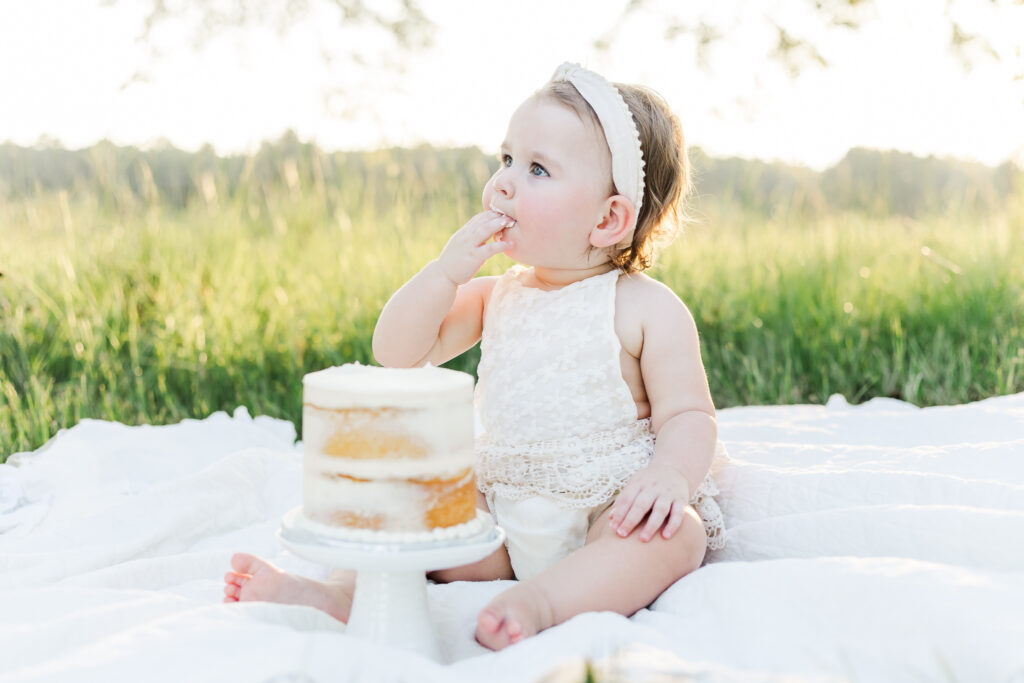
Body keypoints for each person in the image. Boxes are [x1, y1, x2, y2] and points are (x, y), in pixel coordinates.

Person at [223, 62, 727, 651]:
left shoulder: (645, 308)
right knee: (406, 491)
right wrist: (444, 273)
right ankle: (344, 592)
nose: (505, 183)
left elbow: (690, 415)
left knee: (677, 537)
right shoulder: (497, 295)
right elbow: (398, 352)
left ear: (608, 219)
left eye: (537, 169)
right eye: (506, 159)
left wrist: (669, 475)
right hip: (497, 519)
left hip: (604, 509)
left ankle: (542, 602)